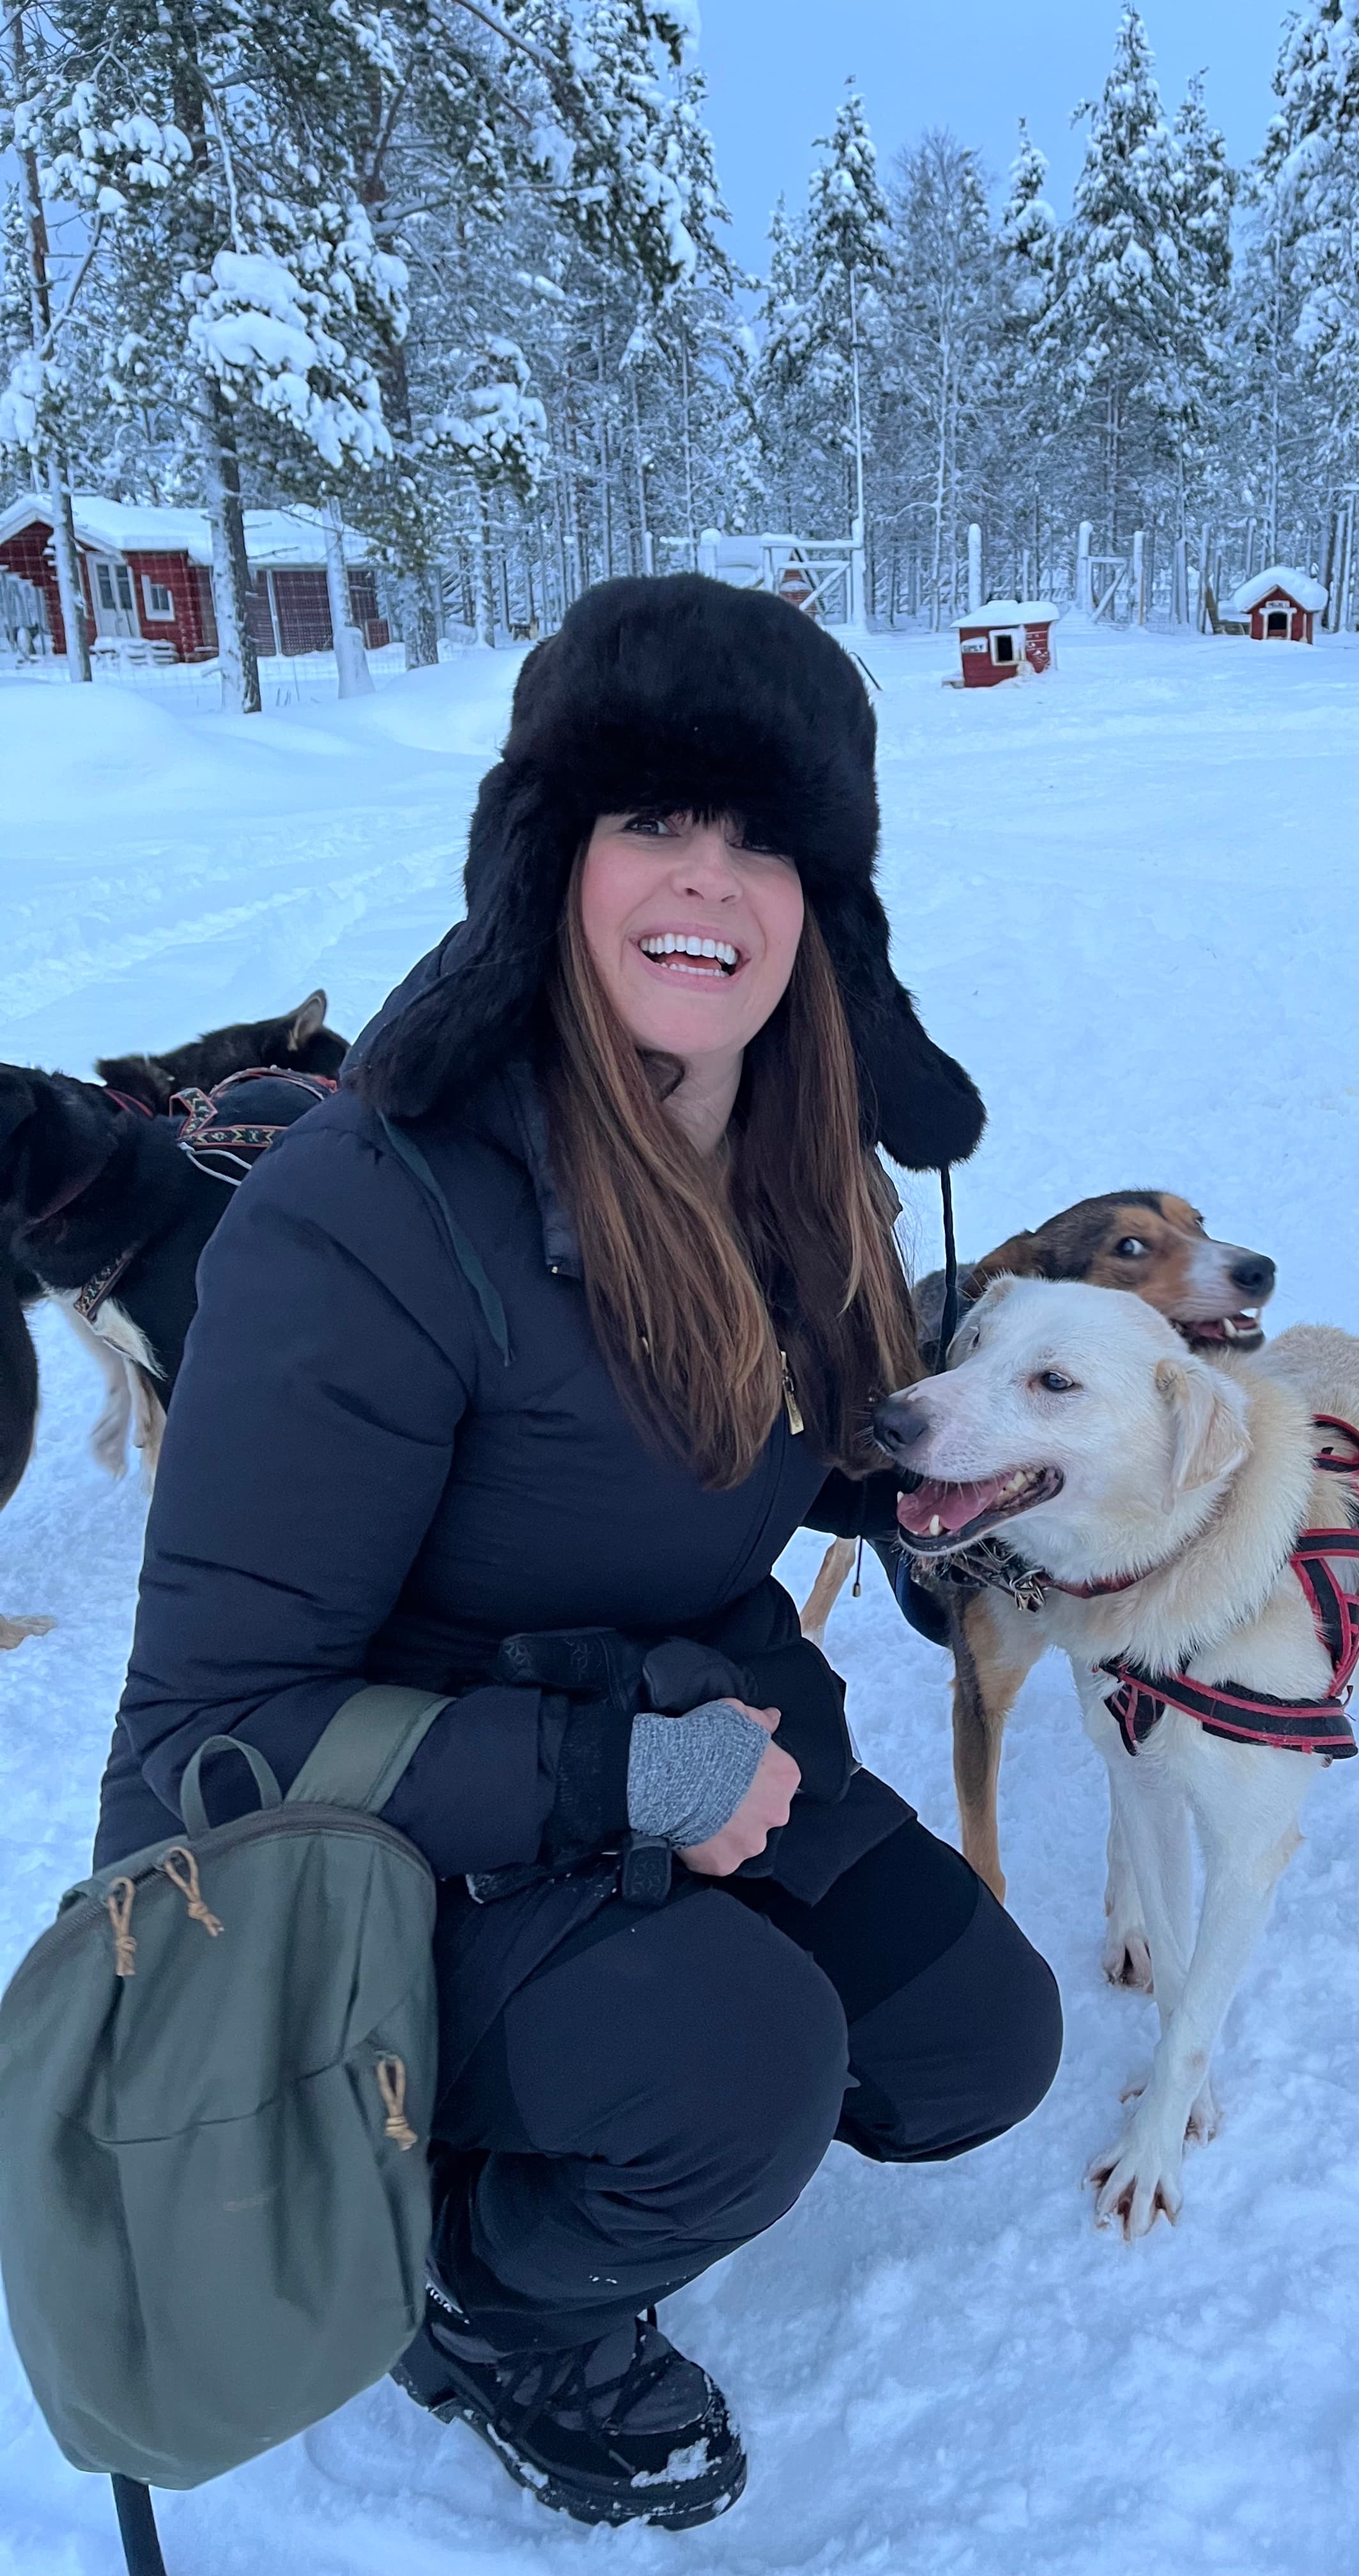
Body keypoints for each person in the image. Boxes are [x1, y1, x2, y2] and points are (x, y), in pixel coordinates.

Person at [94, 577, 1063, 2532]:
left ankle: (614, 2088)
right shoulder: (366, 1216)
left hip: (686, 1730)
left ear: (827, 906)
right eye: (651, 821)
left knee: (975, 2045)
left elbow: (757, 1456)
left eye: (763, 836)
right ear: (547, 859)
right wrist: (618, 1776)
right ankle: (468, 2293)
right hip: (376, 1851)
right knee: (740, 2066)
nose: (710, 881)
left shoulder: (802, 1160)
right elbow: (198, 1753)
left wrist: (944, 1490)